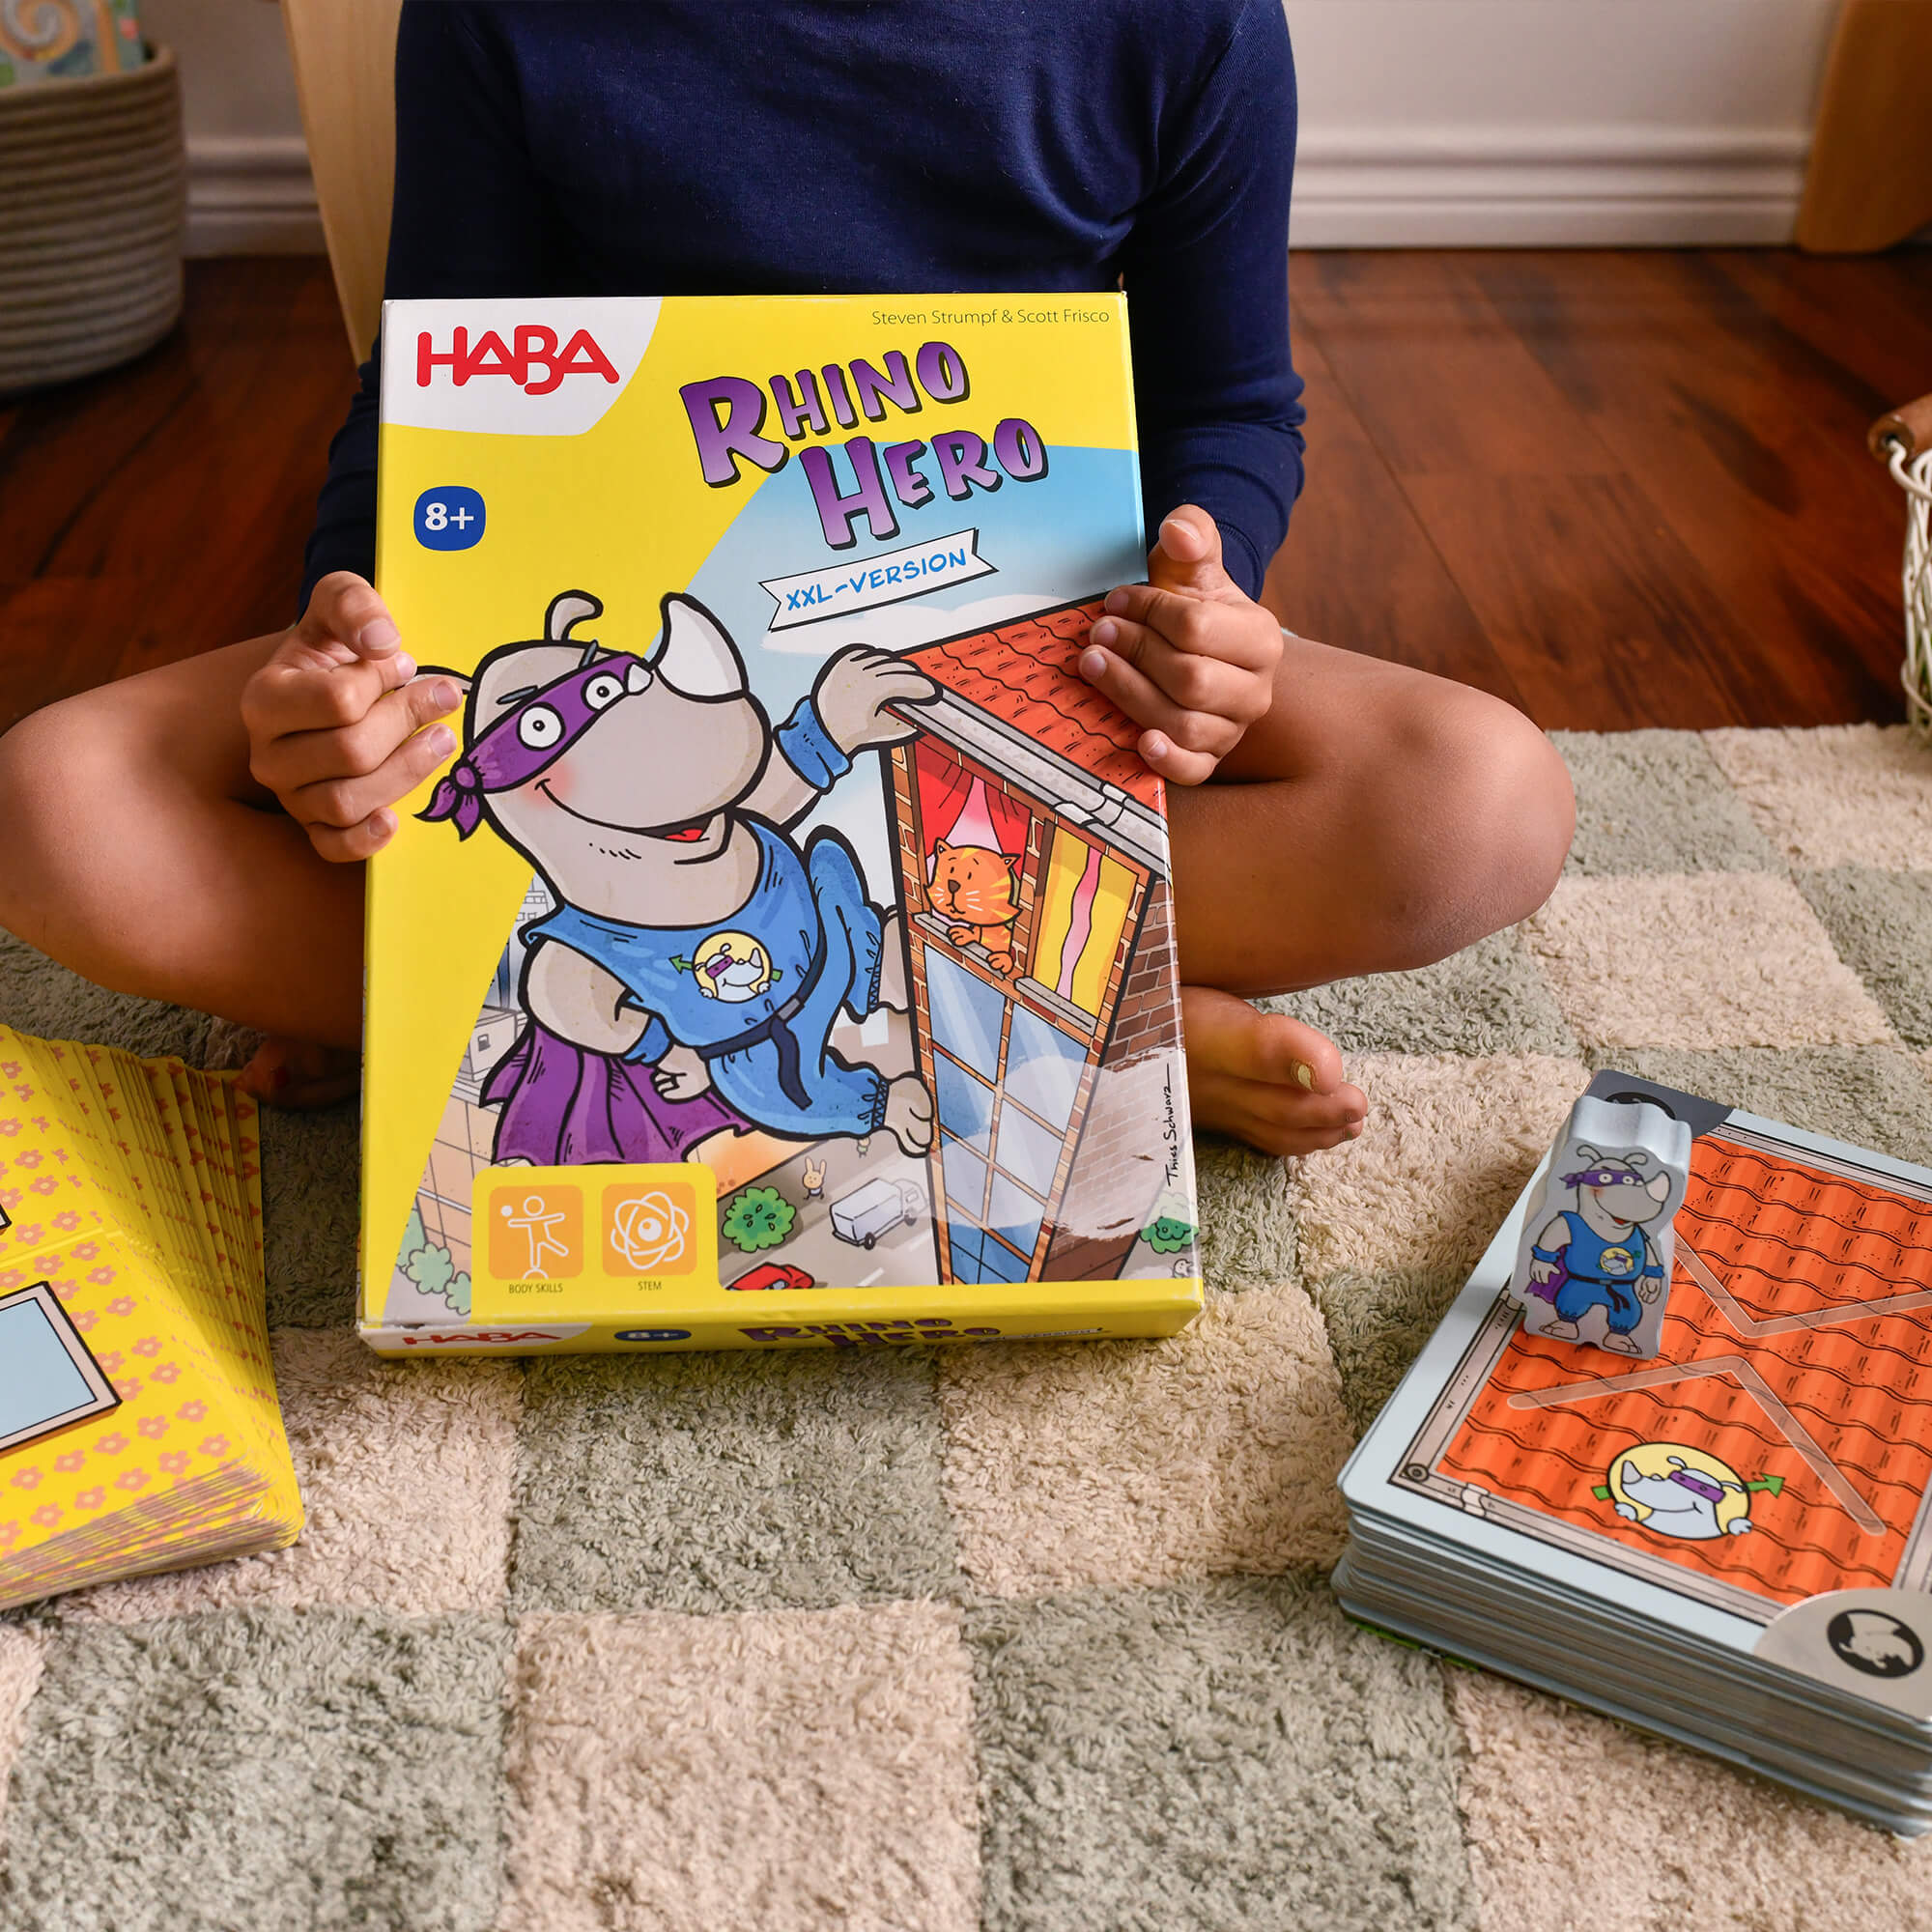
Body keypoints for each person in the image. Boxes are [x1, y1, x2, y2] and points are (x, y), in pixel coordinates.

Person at [0, 0, 1573, 1158]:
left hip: (1010, 638)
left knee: (1482, 799)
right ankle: (1073, 1022)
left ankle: (435, 1006)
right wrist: (341, 664)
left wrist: (1213, 606)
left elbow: (1228, 409)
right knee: (59, 806)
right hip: (617, 644)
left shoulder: (1187, 18)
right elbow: (435, 401)